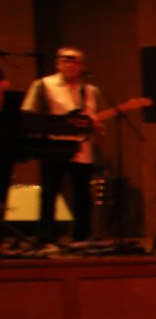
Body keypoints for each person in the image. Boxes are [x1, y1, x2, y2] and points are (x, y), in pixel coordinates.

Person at [20, 48, 101, 244]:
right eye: (66, 60)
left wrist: (95, 125)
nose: (70, 64)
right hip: (53, 146)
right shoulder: (44, 84)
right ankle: (46, 235)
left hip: (82, 147)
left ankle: (81, 237)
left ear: (82, 65)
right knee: (50, 191)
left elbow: (91, 118)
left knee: (82, 193)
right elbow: (29, 113)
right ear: (58, 63)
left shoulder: (90, 90)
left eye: (75, 61)